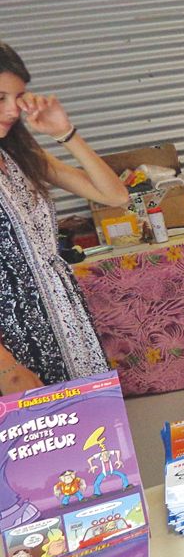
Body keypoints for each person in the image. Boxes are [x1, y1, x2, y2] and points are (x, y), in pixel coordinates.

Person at [0, 42, 129, 395]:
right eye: (0, 99)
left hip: (67, 322)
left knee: (93, 437)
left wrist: (65, 133)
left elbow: (115, 195)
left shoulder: (17, 155)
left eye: (19, 97)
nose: (12, 110)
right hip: (13, 346)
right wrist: (7, 368)